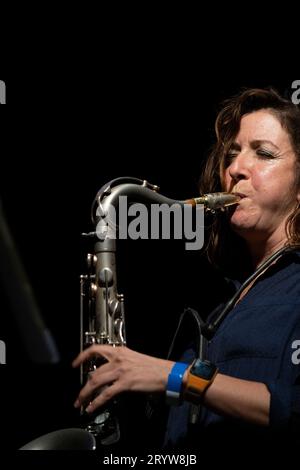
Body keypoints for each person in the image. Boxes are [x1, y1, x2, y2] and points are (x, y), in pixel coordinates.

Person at [72, 88, 300, 455]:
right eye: (232, 154)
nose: (235, 169)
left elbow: (291, 408)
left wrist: (170, 375)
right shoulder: (224, 306)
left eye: (263, 153)